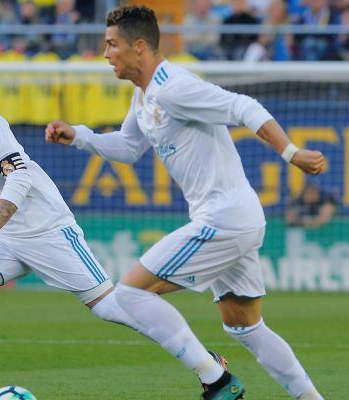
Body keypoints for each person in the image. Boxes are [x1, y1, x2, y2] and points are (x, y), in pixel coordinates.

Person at [45, 6, 326, 400]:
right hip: (237, 218)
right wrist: (78, 136)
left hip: (224, 217)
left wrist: (290, 152)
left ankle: (216, 379)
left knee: (130, 293)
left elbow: (244, 106)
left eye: (112, 45)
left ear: (139, 46)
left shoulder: (175, 86)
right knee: (245, 328)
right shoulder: (144, 94)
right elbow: (128, 147)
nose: (105, 53)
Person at [0, 50, 192, 400]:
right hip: (4, 239)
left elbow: (19, 175)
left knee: (110, 307)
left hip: (45, 227)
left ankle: (205, 362)